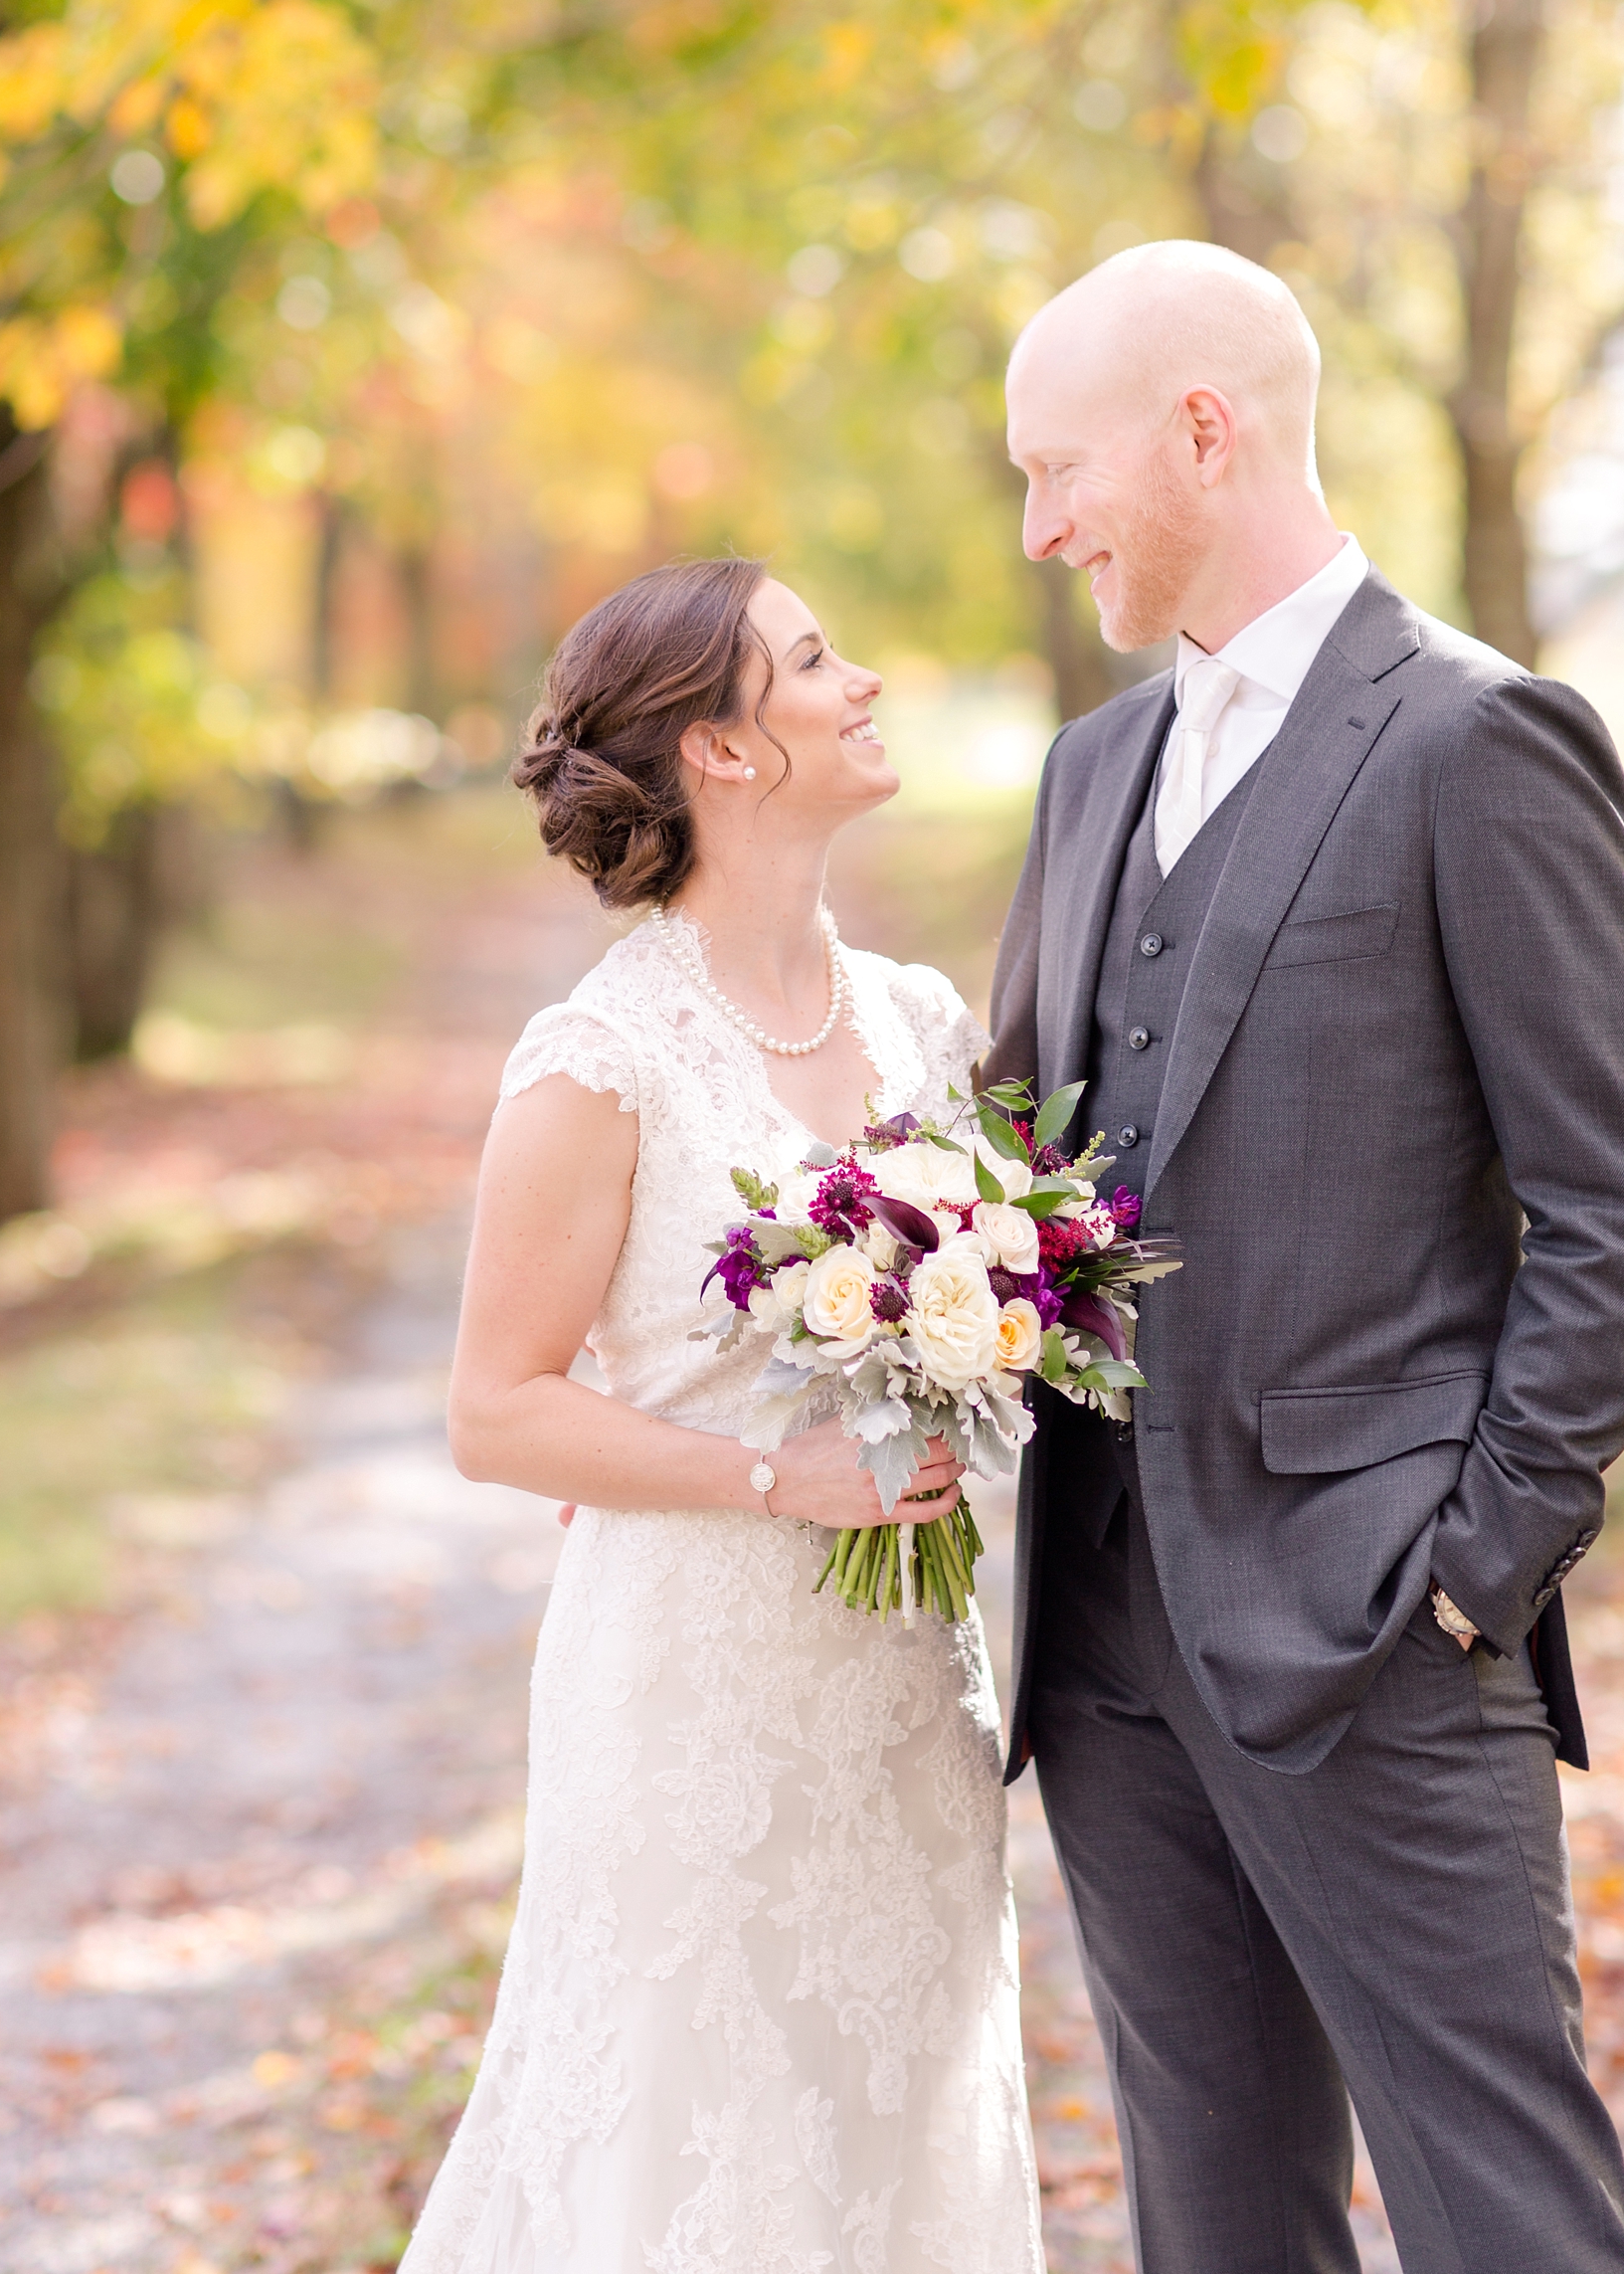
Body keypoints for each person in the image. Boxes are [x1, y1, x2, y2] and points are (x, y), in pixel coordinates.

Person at [989, 238, 1624, 2274]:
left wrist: (1476, 1568)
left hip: (1378, 1633)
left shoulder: (1476, 741)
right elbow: (1028, 1156)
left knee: (1506, 2220)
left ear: (1203, 430)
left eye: (1060, 471)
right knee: (1214, 2227)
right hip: (1106, 1648)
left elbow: (1619, 1204)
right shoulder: (1088, 772)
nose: (1040, 529)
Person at [404, 558, 1044, 2274]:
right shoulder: (595, 1064)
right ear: (724, 753)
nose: (865, 682)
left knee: (898, 2130)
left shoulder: (922, 1022)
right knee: (702, 2161)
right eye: (818, 660)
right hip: (694, 1707)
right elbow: (496, 1411)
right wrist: (776, 1477)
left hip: (914, 1696)